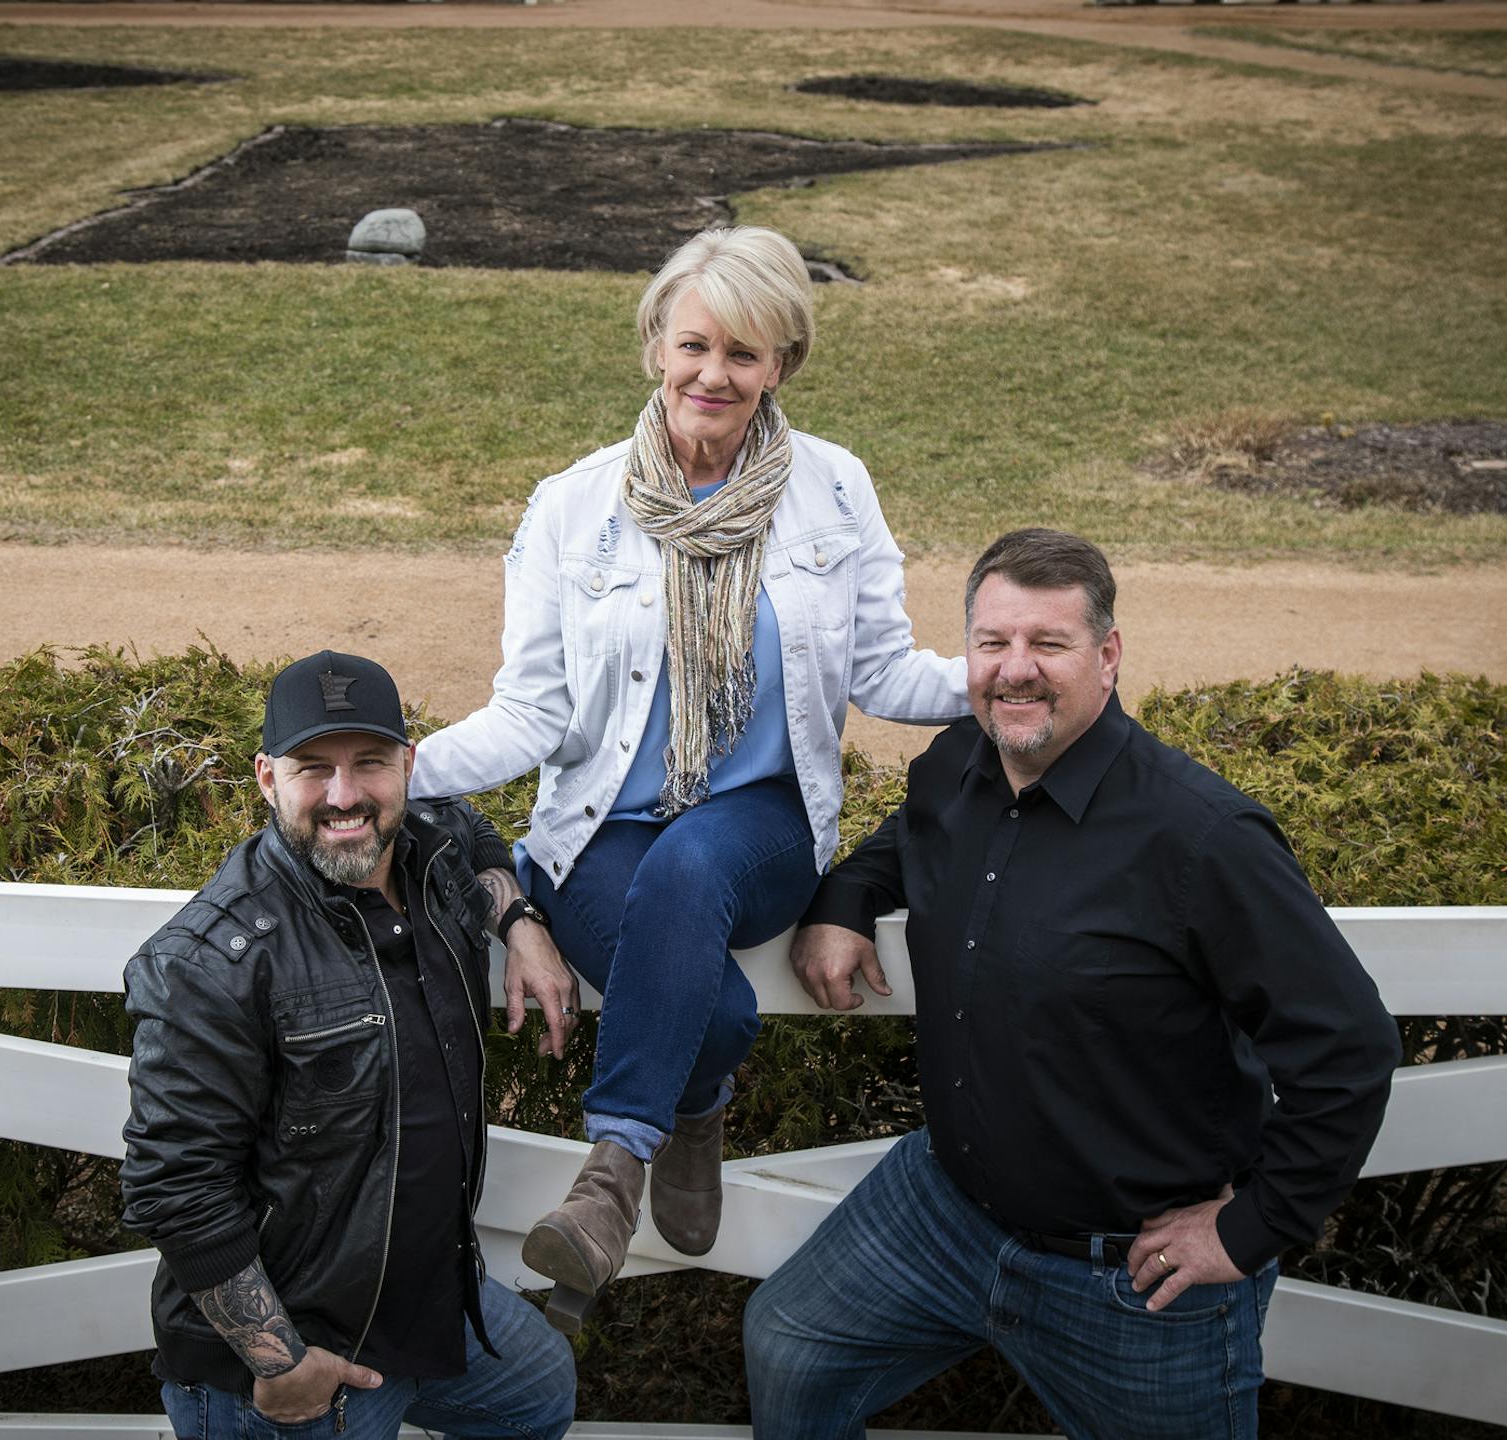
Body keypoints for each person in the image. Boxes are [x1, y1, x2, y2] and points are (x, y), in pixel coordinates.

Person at [409, 225, 967, 1332]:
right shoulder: (571, 505)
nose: (715, 375)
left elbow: (881, 671)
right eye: (695, 346)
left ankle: (610, 1173)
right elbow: (537, 712)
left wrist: (1008, 682)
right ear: (656, 346)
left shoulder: (835, 489)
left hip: (759, 822)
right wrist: (395, 767)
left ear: (782, 367)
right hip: (598, 826)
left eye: (745, 354)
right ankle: (698, 1100)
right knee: (701, 997)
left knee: (694, 860)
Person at [746, 528, 1402, 1439]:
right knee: (788, 1345)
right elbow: (900, 848)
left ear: (1108, 656)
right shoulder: (954, 772)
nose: (1016, 671)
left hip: (1130, 1274)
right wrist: (845, 898)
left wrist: (1252, 1229)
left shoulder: (1203, 840)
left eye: (1048, 645)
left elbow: (1351, 1047)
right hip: (945, 1209)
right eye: (993, 644)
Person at [120, 650, 581, 1440]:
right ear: (267, 778)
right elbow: (174, 1185)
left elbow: (470, 831)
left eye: (369, 763)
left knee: (538, 1395)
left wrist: (522, 924)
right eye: (313, 769)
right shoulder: (209, 961)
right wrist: (277, 1360)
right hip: (300, 1356)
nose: (344, 796)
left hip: (429, 1297)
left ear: (408, 765)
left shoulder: (429, 856)